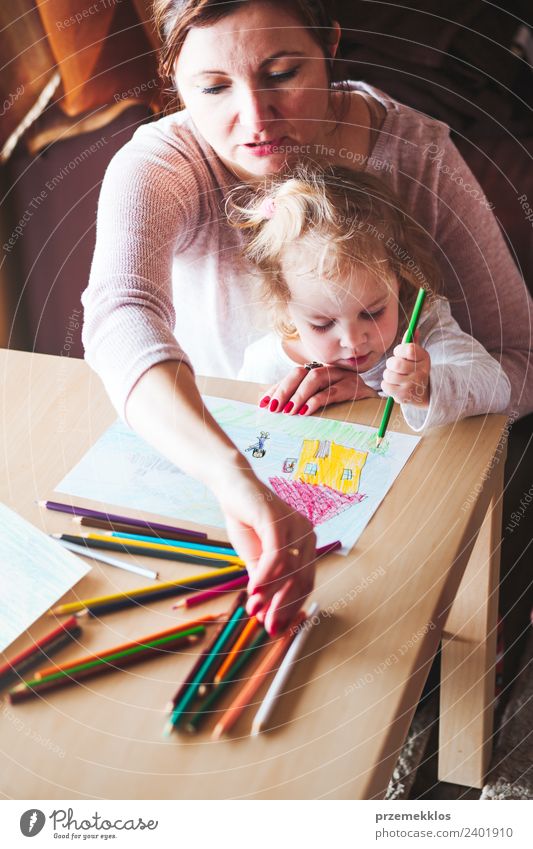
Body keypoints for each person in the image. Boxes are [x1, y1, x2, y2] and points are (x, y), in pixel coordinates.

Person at [81, 0, 533, 637]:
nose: (255, 120)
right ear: (173, 82)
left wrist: (388, 388)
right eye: (213, 88)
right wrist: (233, 480)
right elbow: (118, 315)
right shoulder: (163, 163)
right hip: (222, 481)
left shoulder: (416, 153)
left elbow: (523, 363)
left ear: (331, 48)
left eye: (282, 73)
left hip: (388, 500)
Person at [234, 164, 511, 429]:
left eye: (372, 313)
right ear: (284, 307)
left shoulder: (422, 328)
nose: (353, 341)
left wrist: (425, 387)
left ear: (400, 280)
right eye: (322, 324)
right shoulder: (266, 364)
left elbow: (497, 387)